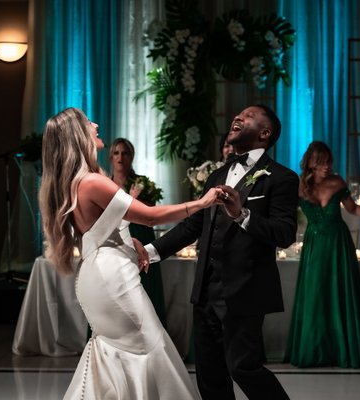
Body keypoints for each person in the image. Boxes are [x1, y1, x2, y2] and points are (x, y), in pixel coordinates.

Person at [38, 107, 225, 400]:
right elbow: (149, 217)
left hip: (97, 274)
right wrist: (201, 203)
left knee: (120, 353)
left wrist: (128, 242)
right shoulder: (93, 181)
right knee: (149, 347)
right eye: (89, 122)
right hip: (113, 280)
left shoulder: (74, 181)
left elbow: (104, 227)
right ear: (77, 134)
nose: (96, 124)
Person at [145, 104, 299, 399]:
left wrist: (242, 215)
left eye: (249, 116)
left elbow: (285, 234)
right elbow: (193, 227)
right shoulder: (218, 174)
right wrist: (150, 252)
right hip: (205, 290)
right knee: (210, 374)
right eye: (238, 114)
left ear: (265, 133)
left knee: (243, 367)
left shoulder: (281, 177)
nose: (238, 117)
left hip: (245, 289)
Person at [284, 141, 360, 368]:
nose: (326, 166)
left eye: (328, 161)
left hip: (339, 243)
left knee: (339, 291)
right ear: (310, 163)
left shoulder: (337, 181)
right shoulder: (299, 187)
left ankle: (341, 350)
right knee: (315, 292)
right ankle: (312, 349)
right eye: (321, 162)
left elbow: (353, 209)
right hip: (315, 244)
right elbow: (286, 214)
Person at [109, 138, 166, 325]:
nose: (120, 157)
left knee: (145, 287)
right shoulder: (104, 184)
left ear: (131, 157)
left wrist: (136, 201)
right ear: (111, 157)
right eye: (116, 153)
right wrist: (130, 200)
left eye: (124, 153)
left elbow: (153, 211)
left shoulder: (143, 183)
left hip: (141, 234)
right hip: (116, 238)